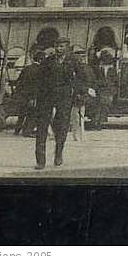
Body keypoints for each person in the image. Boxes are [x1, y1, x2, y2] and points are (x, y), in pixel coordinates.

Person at [33, 38, 89, 169]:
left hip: (64, 97)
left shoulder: (74, 62)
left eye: (62, 46)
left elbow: (82, 78)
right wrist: (35, 96)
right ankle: (40, 160)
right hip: (46, 97)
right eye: (57, 46)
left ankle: (58, 154)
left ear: (67, 48)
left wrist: (77, 92)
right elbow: (38, 80)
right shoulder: (47, 61)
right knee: (42, 127)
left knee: (62, 126)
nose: (59, 49)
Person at [12, 47, 45, 137]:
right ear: (41, 59)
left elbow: (19, 81)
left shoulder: (26, 68)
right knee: (32, 114)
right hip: (31, 96)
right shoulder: (40, 70)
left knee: (22, 114)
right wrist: (33, 97)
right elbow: (36, 85)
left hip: (22, 95)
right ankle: (27, 131)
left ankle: (17, 130)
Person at [87, 48, 118, 129]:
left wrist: (113, 90)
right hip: (100, 89)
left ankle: (100, 121)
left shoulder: (112, 69)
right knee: (99, 103)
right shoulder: (98, 69)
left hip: (109, 90)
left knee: (105, 103)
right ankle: (96, 121)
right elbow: (95, 79)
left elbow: (115, 81)